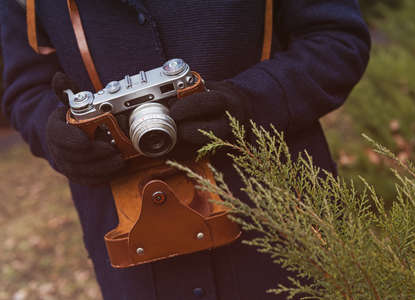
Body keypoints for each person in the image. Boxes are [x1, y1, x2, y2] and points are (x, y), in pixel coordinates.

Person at [0, 0, 371, 299]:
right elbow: (26, 87)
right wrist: (58, 137)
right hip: (134, 239)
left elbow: (336, 39)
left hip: (283, 214)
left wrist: (251, 102)